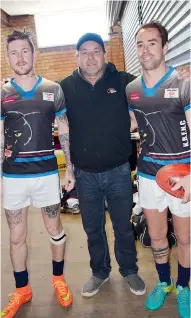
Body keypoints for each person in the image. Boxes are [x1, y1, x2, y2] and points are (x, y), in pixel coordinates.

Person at [60, 32, 146, 298]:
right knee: (92, 228)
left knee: (122, 226)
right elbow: (58, 124)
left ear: (104, 54)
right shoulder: (65, 87)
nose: (90, 56)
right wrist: (70, 171)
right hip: (86, 175)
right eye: (84, 52)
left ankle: (129, 269)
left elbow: (153, 90)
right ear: (76, 56)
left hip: (119, 170)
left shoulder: (123, 80)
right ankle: (100, 272)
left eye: (96, 50)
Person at [1, 30, 75, 318]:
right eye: (14, 52)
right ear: (7, 57)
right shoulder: (3, 93)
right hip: (13, 177)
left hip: (46, 175)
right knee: (16, 237)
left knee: (55, 231)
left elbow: (64, 128)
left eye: (25, 51)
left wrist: (69, 168)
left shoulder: (53, 89)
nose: (20, 57)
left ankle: (58, 279)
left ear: (34, 53)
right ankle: (22, 290)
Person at [126, 21, 190, 318]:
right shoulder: (132, 89)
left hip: (182, 174)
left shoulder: (183, 83)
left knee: (186, 237)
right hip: (149, 173)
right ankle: (164, 282)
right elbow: (132, 125)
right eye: (140, 44)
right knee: (156, 235)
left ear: (164, 47)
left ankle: (184, 286)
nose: (145, 50)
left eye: (152, 43)